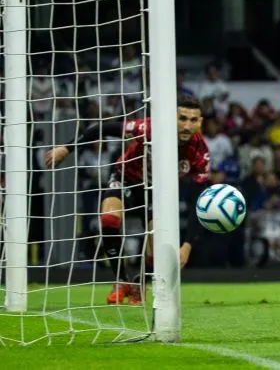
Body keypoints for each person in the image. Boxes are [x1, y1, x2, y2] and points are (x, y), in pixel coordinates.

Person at [44, 95, 210, 305]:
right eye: (182, 118)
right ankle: (120, 279)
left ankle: (140, 283)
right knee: (109, 219)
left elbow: (198, 202)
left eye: (193, 120)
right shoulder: (149, 128)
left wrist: (187, 245)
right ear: (172, 118)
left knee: (156, 252)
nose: (187, 126)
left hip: (156, 193)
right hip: (126, 178)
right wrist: (67, 148)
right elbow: (105, 128)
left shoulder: (200, 154)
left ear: (201, 122)